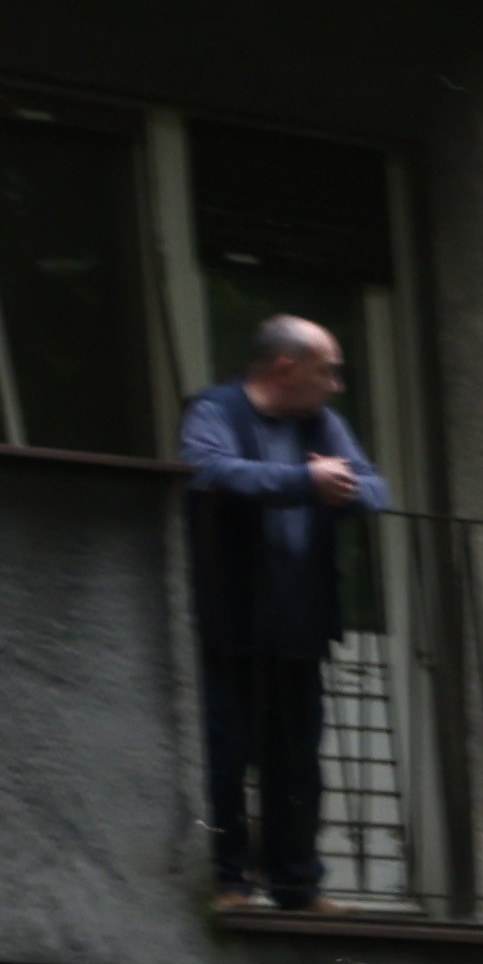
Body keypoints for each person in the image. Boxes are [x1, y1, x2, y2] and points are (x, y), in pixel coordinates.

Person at [181, 310, 387, 907]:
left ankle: (297, 883)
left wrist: (341, 488)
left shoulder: (322, 423)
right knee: (224, 760)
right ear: (285, 366)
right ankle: (228, 880)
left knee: (296, 766)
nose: (336, 386)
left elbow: (375, 489)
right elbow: (208, 471)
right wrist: (305, 482)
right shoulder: (215, 411)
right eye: (328, 372)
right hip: (231, 623)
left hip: (299, 627)